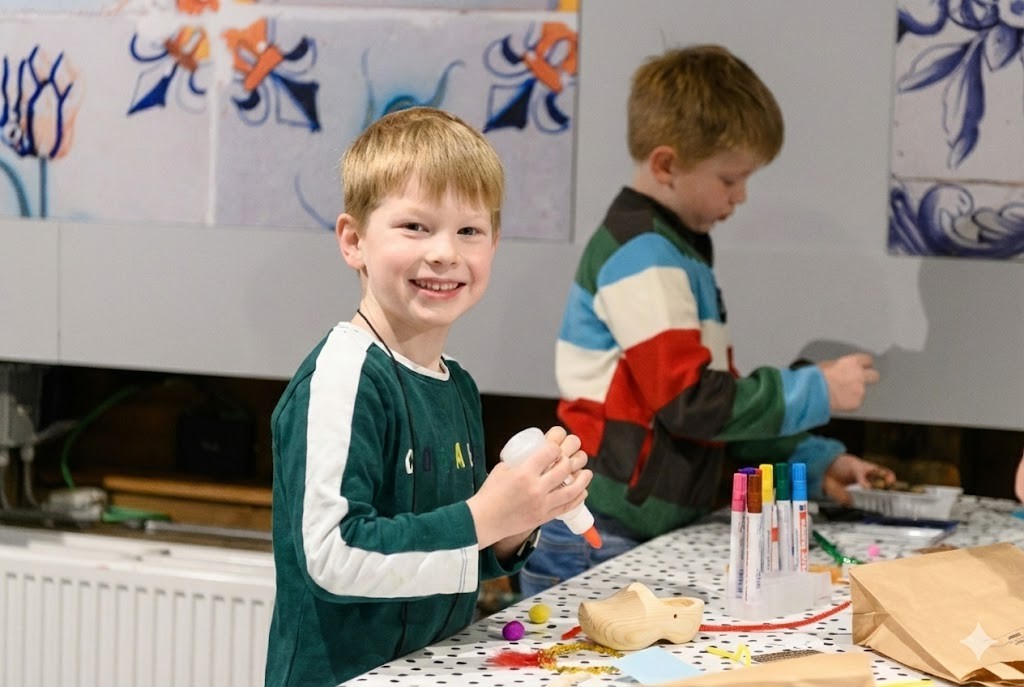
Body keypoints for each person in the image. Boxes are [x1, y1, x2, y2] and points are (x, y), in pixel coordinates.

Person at [518, 45, 893, 597]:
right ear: (667, 165)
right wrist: (816, 388)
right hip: (598, 534)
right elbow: (692, 404)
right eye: (730, 179)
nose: (741, 196)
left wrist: (814, 462)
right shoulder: (644, 255)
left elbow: (715, 407)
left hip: (630, 530)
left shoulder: (676, 252)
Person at [264, 106, 593, 687]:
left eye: (469, 231)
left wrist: (519, 518)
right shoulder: (343, 377)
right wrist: (482, 516)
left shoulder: (457, 385)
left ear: (494, 244)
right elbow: (333, 557)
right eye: (415, 227)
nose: (445, 252)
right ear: (354, 241)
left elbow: (452, 554)